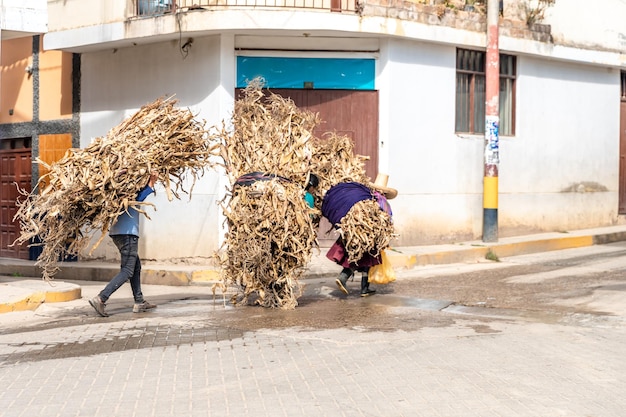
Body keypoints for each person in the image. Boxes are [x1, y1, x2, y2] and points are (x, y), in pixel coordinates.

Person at [89, 170, 159, 317]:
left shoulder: (114, 189)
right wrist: (151, 182)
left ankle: (139, 301)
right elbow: (138, 198)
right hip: (128, 234)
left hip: (117, 233)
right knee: (127, 270)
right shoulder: (127, 189)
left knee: (136, 266)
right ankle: (101, 298)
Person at [321, 173, 397, 297]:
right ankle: (345, 278)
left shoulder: (366, 198)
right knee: (365, 259)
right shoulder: (381, 201)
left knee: (362, 259)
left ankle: (364, 288)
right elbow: (387, 219)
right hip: (370, 235)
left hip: (358, 232)